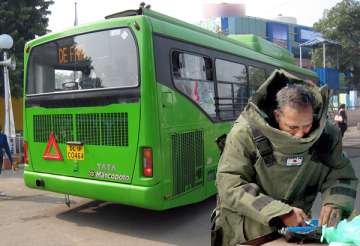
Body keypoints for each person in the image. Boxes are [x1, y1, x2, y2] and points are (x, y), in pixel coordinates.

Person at [212, 70, 358, 245]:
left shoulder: (326, 135)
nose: (300, 135)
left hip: (295, 231)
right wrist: (281, 212)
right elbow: (229, 184)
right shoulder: (245, 133)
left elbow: (342, 174)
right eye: (292, 127)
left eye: (307, 126)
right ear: (277, 115)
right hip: (248, 233)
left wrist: (336, 203)